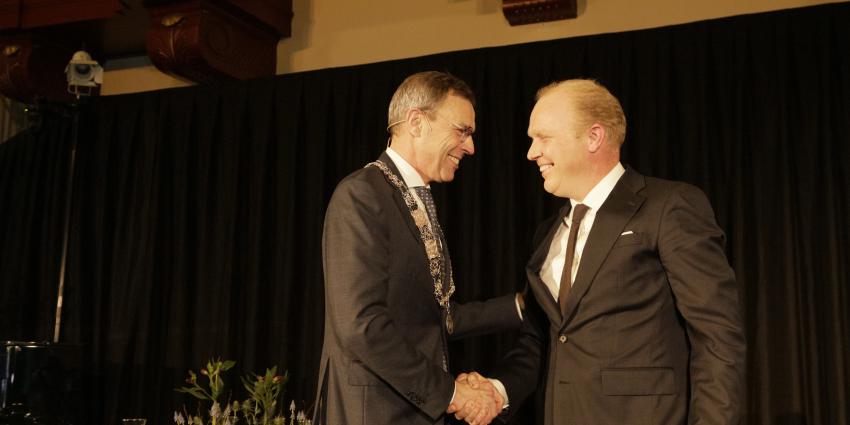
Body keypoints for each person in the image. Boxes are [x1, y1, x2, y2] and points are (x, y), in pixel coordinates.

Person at [454, 79, 746, 424]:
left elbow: (717, 337)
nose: (531, 152)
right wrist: (498, 391)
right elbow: (541, 340)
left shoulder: (669, 206)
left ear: (594, 137)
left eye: (543, 138)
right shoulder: (546, 234)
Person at [313, 71, 523, 425]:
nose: (470, 147)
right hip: (374, 414)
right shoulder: (362, 195)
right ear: (416, 122)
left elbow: (435, 316)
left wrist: (522, 305)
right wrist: (452, 394)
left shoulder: (412, 198)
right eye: (462, 131)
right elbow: (361, 325)